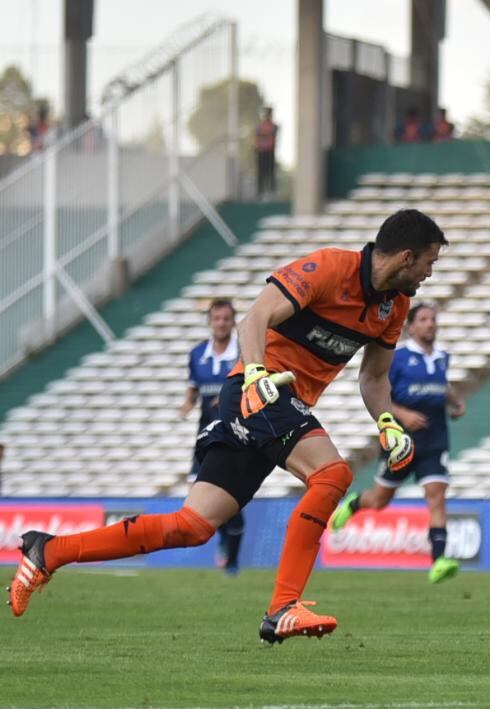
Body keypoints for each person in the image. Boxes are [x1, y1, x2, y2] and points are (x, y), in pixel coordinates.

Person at [7, 209, 448, 645]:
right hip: (258, 390)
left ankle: (50, 551)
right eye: (430, 262)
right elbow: (253, 319)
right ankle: (282, 608)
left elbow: (373, 378)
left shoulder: (395, 306)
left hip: (278, 403)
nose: (430, 273)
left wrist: (387, 421)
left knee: (191, 526)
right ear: (406, 256)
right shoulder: (332, 268)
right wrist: (257, 373)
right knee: (332, 474)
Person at [330, 303, 466, 584]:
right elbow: (380, 391)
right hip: (401, 441)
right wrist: (403, 414)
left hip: (435, 439)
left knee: (436, 495)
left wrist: (455, 401)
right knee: (380, 501)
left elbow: (443, 385)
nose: (430, 324)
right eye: (424, 319)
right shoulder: (398, 358)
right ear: (411, 327)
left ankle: (439, 561)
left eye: (433, 319)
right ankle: (355, 504)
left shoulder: (441, 358)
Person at [178, 298, 245, 575]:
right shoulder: (197, 354)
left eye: (226, 319)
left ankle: (232, 559)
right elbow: (193, 388)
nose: (221, 323)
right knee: (198, 497)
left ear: (233, 322)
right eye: (217, 318)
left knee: (231, 499)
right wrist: (188, 403)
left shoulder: (243, 352)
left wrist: (230, 398)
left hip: (235, 435)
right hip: (204, 436)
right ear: (210, 321)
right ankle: (222, 540)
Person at [254, 107, 278, 199]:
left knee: (270, 172)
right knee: (261, 172)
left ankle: (272, 191)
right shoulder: (259, 126)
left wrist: (264, 135)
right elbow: (257, 136)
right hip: (261, 151)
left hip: (270, 151)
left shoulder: (273, 126)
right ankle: (260, 192)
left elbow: (273, 134)